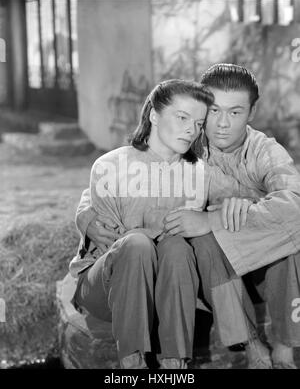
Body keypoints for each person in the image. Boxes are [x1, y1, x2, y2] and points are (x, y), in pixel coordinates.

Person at [69, 79, 261, 369]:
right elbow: (116, 244)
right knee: (138, 245)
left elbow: (257, 200)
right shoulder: (110, 166)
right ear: (153, 115)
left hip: (174, 287)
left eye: (198, 123)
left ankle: (176, 364)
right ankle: (133, 364)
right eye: (182, 118)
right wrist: (85, 214)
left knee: (177, 248)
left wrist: (225, 211)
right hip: (109, 288)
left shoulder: (201, 171)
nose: (191, 130)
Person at [161, 64, 300, 369]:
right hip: (215, 275)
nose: (222, 124)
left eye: (235, 113)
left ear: (251, 113)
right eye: (214, 111)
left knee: (288, 238)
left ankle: (284, 347)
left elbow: (295, 203)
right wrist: (88, 213)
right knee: (204, 241)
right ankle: (251, 345)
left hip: (265, 270)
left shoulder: (264, 151)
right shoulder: (185, 145)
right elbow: (130, 170)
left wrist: (220, 216)